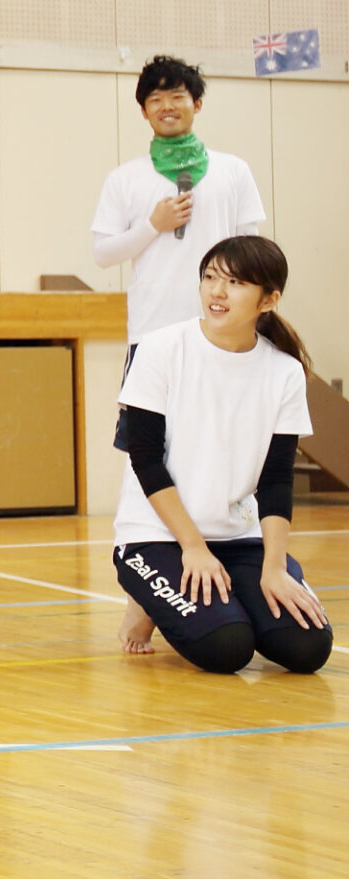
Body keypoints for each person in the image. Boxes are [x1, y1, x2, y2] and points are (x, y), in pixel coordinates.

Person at [112, 236, 331, 673]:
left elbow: (275, 481)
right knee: (227, 646)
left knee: (307, 647)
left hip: (239, 538)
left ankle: (230, 593)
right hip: (158, 536)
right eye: (210, 277)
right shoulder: (159, 350)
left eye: (234, 282)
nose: (216, 291)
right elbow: (146, 459)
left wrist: (273, 568)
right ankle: (147, 604)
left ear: (268, 300)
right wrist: (192, 546)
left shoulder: (285, 372)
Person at [92, 55, 266, 356]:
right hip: (152, 329)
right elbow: (103, 254)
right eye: (155, 99)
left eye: (177, 97)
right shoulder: (124, 178)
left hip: (221, 327)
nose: (167, 107)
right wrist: (152, 226)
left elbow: (251, 252)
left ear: (196, 104)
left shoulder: (234, 170)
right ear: (144, 112)